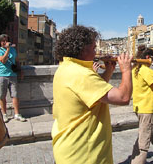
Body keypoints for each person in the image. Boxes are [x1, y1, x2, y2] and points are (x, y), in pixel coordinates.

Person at [51, 25, 133, 164]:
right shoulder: (82, 74)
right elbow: (123, 97)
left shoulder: (65, 67)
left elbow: (93, 94)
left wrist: (108, 72)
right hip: (85, 154)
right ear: (82, 48)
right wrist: (126, 70)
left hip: (69, 149)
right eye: (94, 48)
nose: (96, 53)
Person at [130, 45, 153, 164]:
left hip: (139, 106)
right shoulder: (146, 71)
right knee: (144, 137)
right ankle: (137, 161)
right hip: (147, 108)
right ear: (147, 57)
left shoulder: (135, 69)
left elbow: (146, 85)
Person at [0, 34, 26, 122]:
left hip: (13, 75)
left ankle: (17, 114)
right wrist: (7, 49)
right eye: (3, 41)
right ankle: (4, 114)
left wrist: (20, 70)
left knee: (15, 95)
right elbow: (3, 60)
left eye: (6, 40)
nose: (5, 42)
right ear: (0, 42)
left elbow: (16, 61)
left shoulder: (13, 50)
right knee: (2, 95)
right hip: (2, 75)